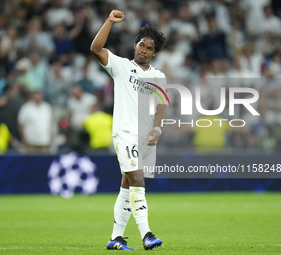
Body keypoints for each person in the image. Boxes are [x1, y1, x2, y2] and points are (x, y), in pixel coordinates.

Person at [90, 10, 167, 250]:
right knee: (137, 178)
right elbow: (96, 48)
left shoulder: (158, 76)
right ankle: (146, 234)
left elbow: (162, 107)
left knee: (127, 185)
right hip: (125, 133)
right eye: (141, 45)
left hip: (146, 138)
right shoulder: (121, 66)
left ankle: (115, 238)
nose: (144, 50)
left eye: (149, 48)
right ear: (135, 46)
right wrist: (109, 22)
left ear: (155, 53)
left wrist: (158, 130)